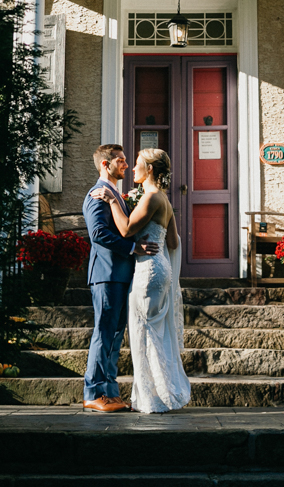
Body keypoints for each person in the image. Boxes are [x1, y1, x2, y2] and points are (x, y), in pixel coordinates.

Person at [90, 148, 191, 414]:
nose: (132, 169)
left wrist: (113, 201)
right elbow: (173, 242)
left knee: (144, 333)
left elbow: (125, 230)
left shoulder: (150, 198)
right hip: (161, 270)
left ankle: (152, 398)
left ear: (150, 170)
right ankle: (159, 392)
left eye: (136, 164)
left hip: (147, 273)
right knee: (153, 332)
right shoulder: (164, 200)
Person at [82, 144, 160, 413]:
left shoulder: (116, 194)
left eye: (127, 161)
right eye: (121, 160)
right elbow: (98, 234)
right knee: (103, 334)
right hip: (106, 274)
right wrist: (133, 248)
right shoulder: (97, 194)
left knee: (116, 336)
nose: (126, 165)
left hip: (122, 274)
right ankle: (93, 393)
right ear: (106, 164)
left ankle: (110, 392)